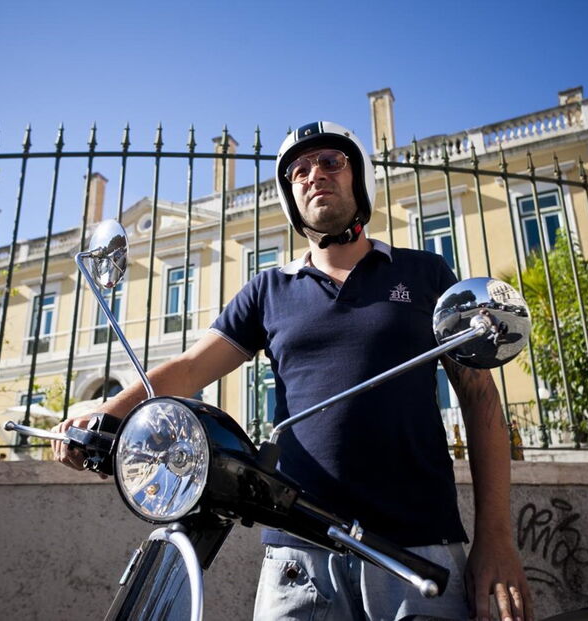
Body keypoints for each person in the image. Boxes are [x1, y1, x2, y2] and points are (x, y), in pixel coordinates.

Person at [53, 121, 532, 621]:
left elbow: (480, 400)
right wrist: (104, 411)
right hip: (298, 555)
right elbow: (192, 367)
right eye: (298, 170)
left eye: (331, 161)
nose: (314, 175)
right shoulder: (269, 290)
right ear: (289, 194)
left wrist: (496, 540)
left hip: (419, 545)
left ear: (358, 177)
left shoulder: (424, 273)